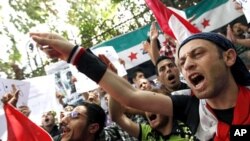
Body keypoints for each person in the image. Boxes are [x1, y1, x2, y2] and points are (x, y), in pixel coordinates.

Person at [30, 32, 250, 140]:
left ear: (229, 57)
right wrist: (73, 54)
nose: (188, 64)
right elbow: (130, 96)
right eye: (181, 61)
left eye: (198, 54)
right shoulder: (191, 106)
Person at [109, 88, 195, 141]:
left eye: (153, 105)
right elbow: (117, 116)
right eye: (146, 107)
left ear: (168, 107)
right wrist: (111, 83)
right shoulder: (147, 133)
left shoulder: (188, 128)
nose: (149, 110)